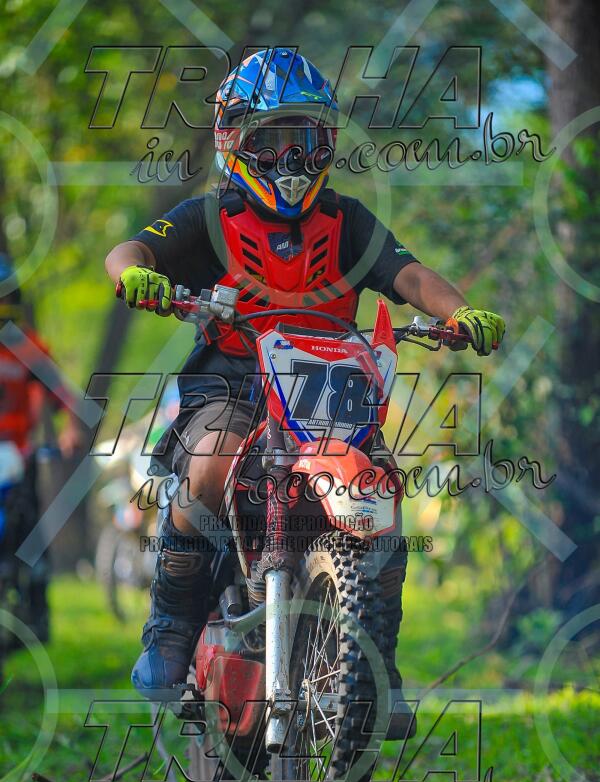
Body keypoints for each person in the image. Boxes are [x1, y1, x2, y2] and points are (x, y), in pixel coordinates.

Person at [105, 49, 505, 700]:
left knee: (380, 495)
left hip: (328, 393)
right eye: (271, 139)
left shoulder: (347, 220)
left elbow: (409, 275)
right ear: (235, 141)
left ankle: (375, 667)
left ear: (328, 143)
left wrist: (459, 310)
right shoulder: (209, 217)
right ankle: (171, 625)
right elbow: (132, 249)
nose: (290, 157)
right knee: (210, 464)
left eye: (305, 138)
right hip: (232, 384)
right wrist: (135, 275)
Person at [0, 253, 83, 643]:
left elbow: (61, 392)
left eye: (6, 294)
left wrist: (69, 430)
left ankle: (36, 611)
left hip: (17, 454)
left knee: (30, 529)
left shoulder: (25, 344)